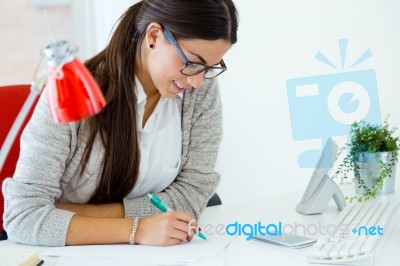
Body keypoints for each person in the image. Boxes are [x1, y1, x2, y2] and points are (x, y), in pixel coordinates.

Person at [2, 0, 238, 247]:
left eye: (209, 67)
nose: (198, 81)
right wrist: (137, 229)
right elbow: (23, 217)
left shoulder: (199, 92)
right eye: (193, 63)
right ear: (154, 36)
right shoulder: (71, 93)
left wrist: (71, 213)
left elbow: (192, 195)